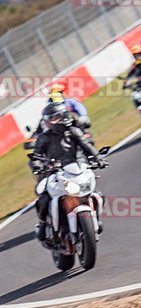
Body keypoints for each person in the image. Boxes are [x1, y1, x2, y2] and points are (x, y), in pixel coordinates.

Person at [30, 102, 103, 243]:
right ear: (49, 121)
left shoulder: (74, 131)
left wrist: (98, 158)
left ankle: (96, 220)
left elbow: (86, 145)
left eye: (64, 115)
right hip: (52, 172)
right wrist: (38, 165)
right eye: (58, 117)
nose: (63, 119)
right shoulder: (44, 138)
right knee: (43, 198)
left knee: (98, 195)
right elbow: (37, 155)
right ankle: (43, 224)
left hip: (76, 168)